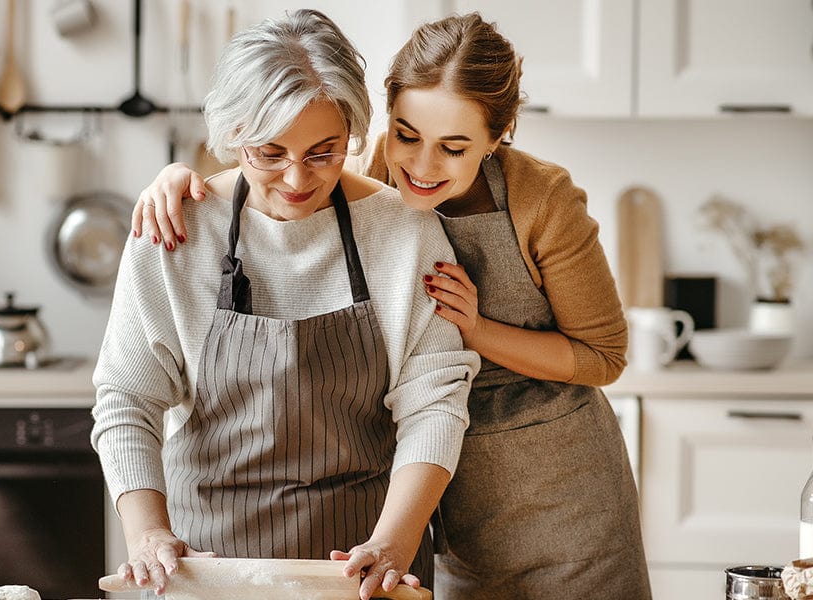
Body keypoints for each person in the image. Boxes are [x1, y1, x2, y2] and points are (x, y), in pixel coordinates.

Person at [129, 12, 651, 600]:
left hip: (557, 487)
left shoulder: (541, 201)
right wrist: (180, 180)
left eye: (454, 148)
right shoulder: (374, 178)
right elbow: (288, 163)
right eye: (407, 135)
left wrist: (475, 330)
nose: (422, 167)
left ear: (499, 136)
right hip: (443, 493)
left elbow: (602, 357)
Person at [90, 9, 478, 600]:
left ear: (353, 132)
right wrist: (147, 534)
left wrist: (396, 540)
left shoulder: (405, 234)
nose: (297, 179)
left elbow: (434, 402)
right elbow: (127, 399)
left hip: (362, 567)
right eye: (269, 153)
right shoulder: (175, 231)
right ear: (233, 135)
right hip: (207, 569)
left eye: (325, 152)